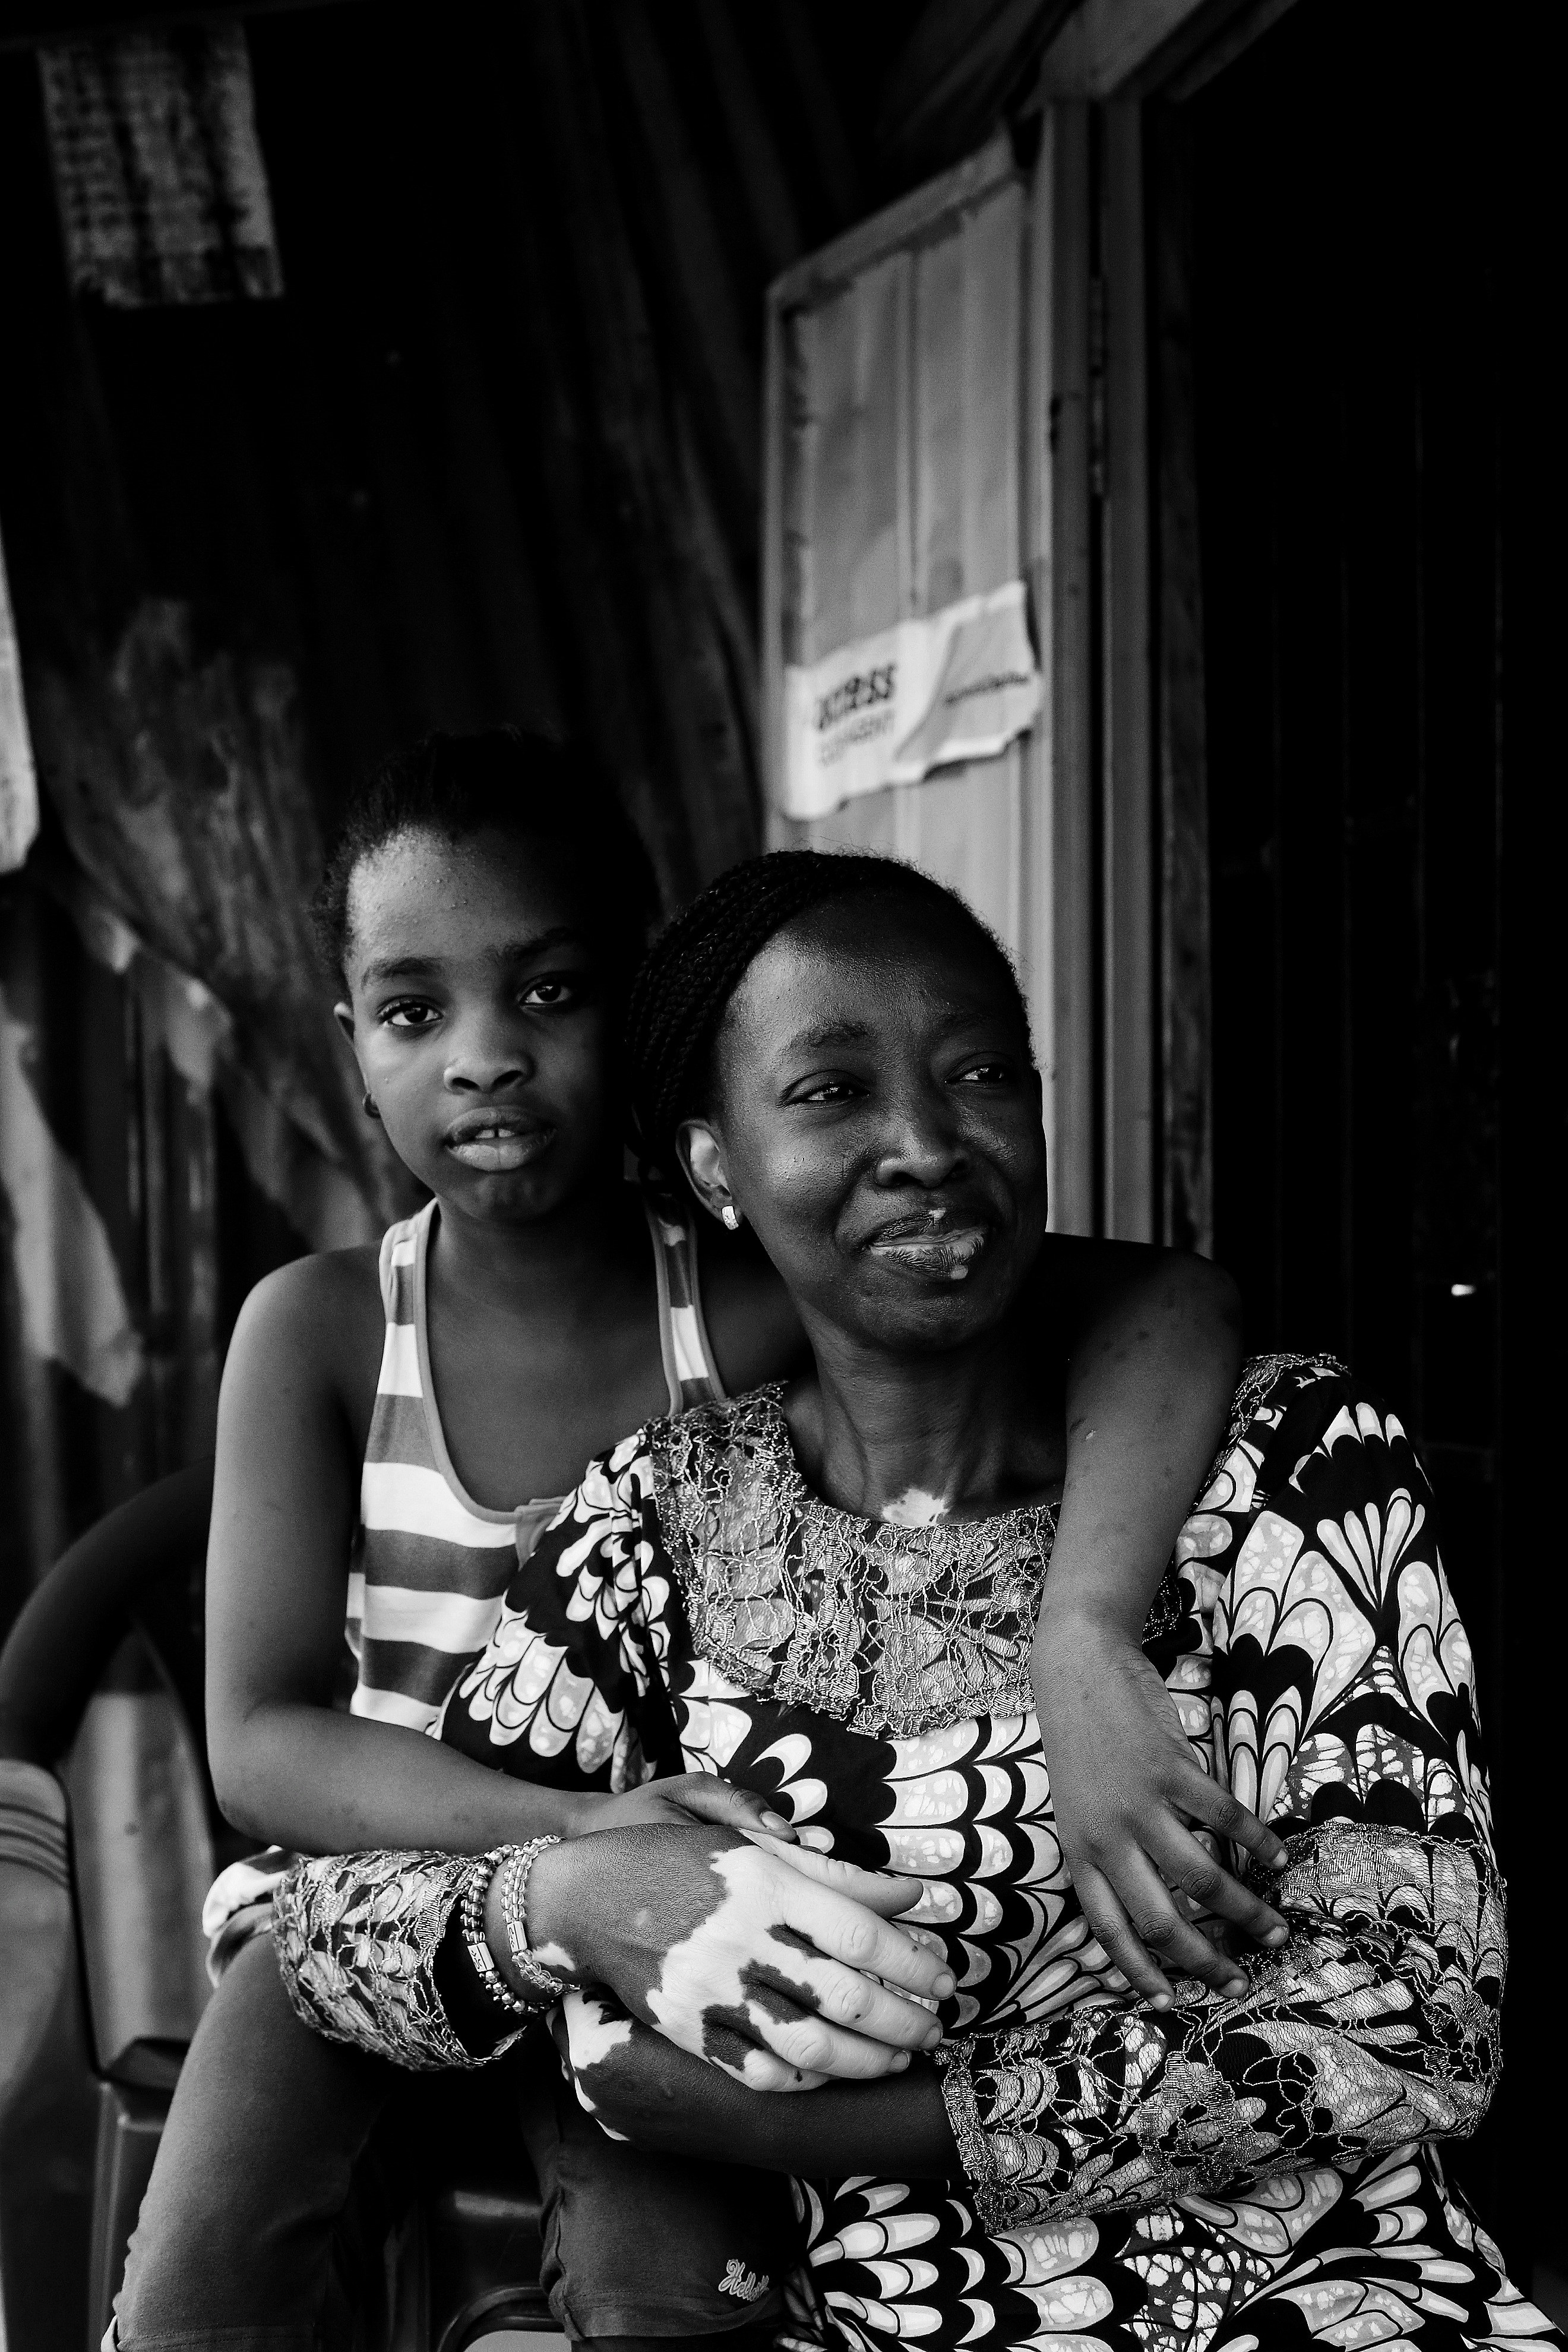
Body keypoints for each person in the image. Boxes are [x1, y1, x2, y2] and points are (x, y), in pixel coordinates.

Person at [276, 848, 1557, 2352]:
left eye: (981, 1075)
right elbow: (331, 1929)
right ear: (712, 1168)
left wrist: (822, 2131)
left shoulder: (1284, 1461)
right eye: (830, 1094)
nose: (929, 1144)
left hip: (1345, 2312)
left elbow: (1420, 2020)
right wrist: (567, 1899)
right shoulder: (659, 1524)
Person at [113, 744, 1273, 2352]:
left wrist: (1085, 1627)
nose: (484, 1063)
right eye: (412, 1012)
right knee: (197, 2290)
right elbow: (262, 1743)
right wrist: (574, 1847)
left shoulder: (747, 1296)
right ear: (349, 1039)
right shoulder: (316, 1329)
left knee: (672, 2302)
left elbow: (1170, 1302)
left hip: (691, 1936)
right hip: (389, 1912)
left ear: (648, 1021)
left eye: (550, 994)